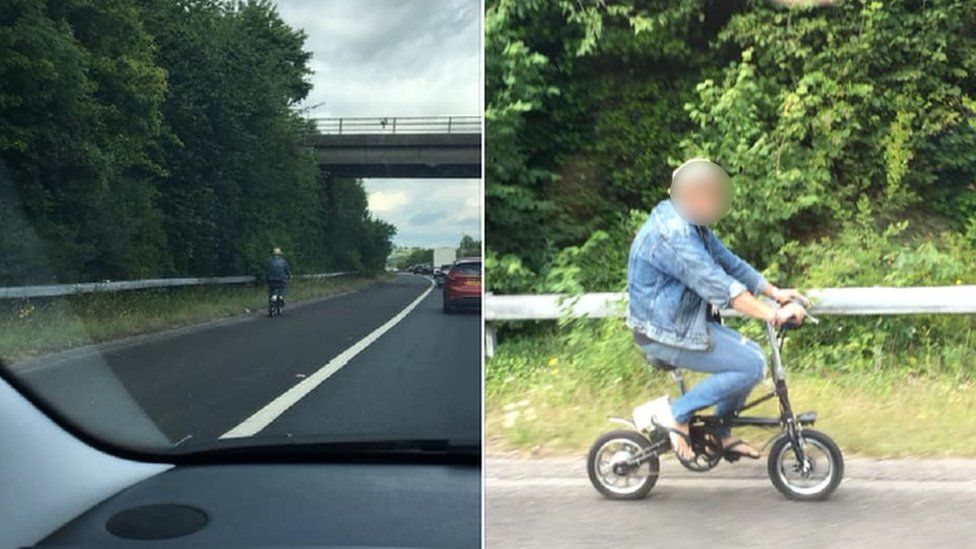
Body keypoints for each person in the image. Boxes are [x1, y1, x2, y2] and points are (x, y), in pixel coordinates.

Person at [627, 158, 808, 461]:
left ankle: (718, 434)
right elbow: (720, 286)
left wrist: (773, 293)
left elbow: (729, 262)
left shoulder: (692, 223)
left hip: (681, 323)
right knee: (749, 365)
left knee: (752, 360)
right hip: (663, 333)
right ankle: (676, 415)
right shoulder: (675, 235)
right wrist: (774, 315)